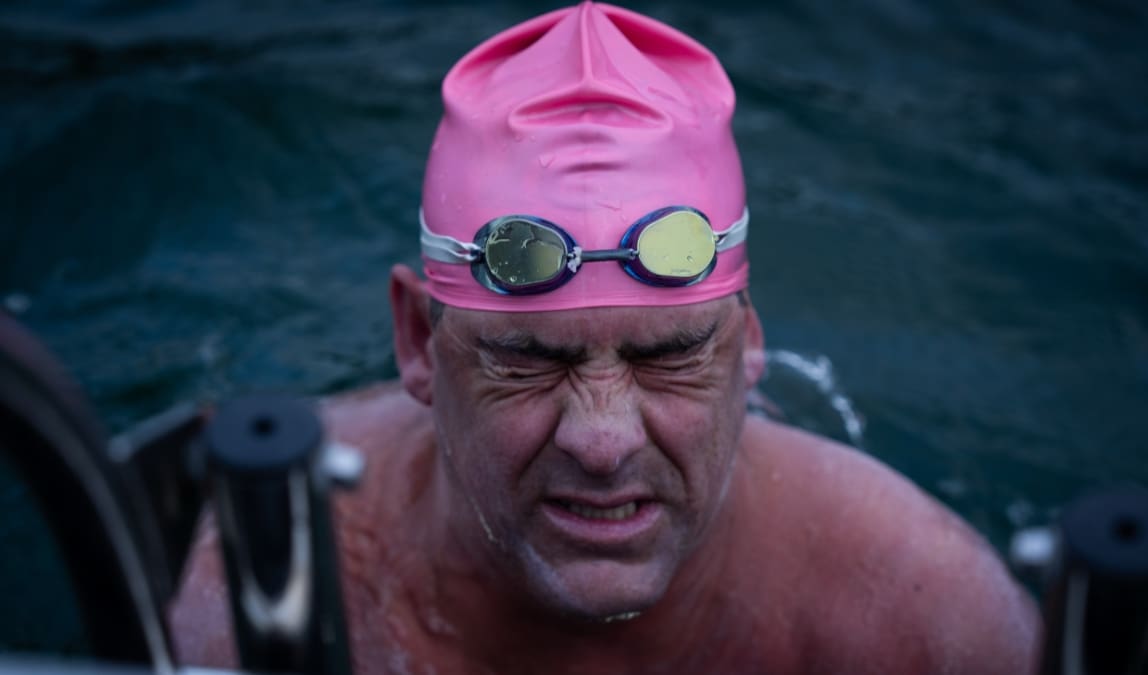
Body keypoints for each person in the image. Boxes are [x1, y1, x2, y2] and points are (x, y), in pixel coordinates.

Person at [171, 3, 1039, 673]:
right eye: (527, 361)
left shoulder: (922, 614)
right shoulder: (266, 586)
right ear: (414, 342)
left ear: (748, 345)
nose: (601, 440)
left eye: (669, 357)